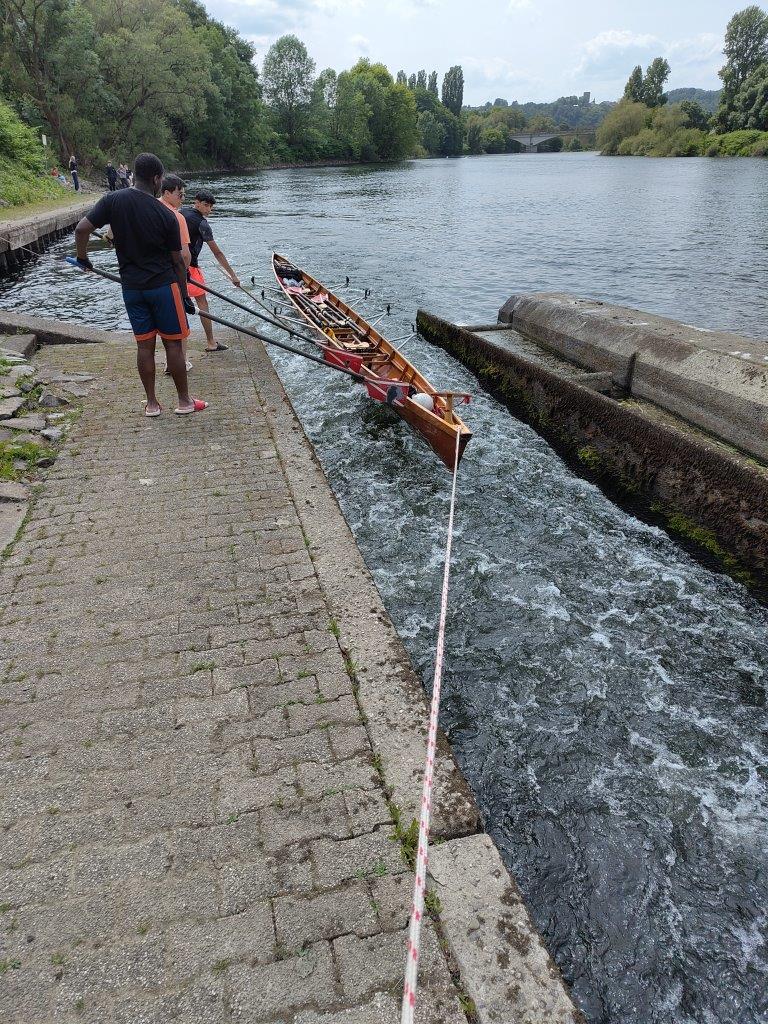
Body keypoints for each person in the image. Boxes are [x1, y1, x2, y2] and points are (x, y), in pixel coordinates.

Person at [73, 152, 208, 417]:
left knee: (144, 346)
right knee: (173, 344)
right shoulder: (167, 215)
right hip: (164, 287)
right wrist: (184, 296)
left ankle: (152, 405)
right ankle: (184, 402)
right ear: (157, 179)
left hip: (132, 288)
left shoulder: (112, 200)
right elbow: (178, 261)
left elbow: (81, 230)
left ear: (134, 174)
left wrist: (83, 258)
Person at [181, 190, 240, 352]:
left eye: (211, 207)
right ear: (197, 202)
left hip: (172, 265)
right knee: (202, 303)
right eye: (206, 205)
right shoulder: (202, 224)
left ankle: (177, 346)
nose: (208, 210)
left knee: (177, 304)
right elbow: (217, 253)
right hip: (190, 268)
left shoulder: (181, 213)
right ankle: (211, 342)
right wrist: (233, 276)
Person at [158, 174, 192, 372]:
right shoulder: (177, 217)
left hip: (148, 277)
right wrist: (185, 274)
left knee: (160, 323)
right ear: (167, 193)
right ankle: (180, 363)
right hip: (171, 278)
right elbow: (184, 255)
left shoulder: (148, 208)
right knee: (180, 324)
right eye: (180, 195)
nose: (182, 199)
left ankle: (168, 361)